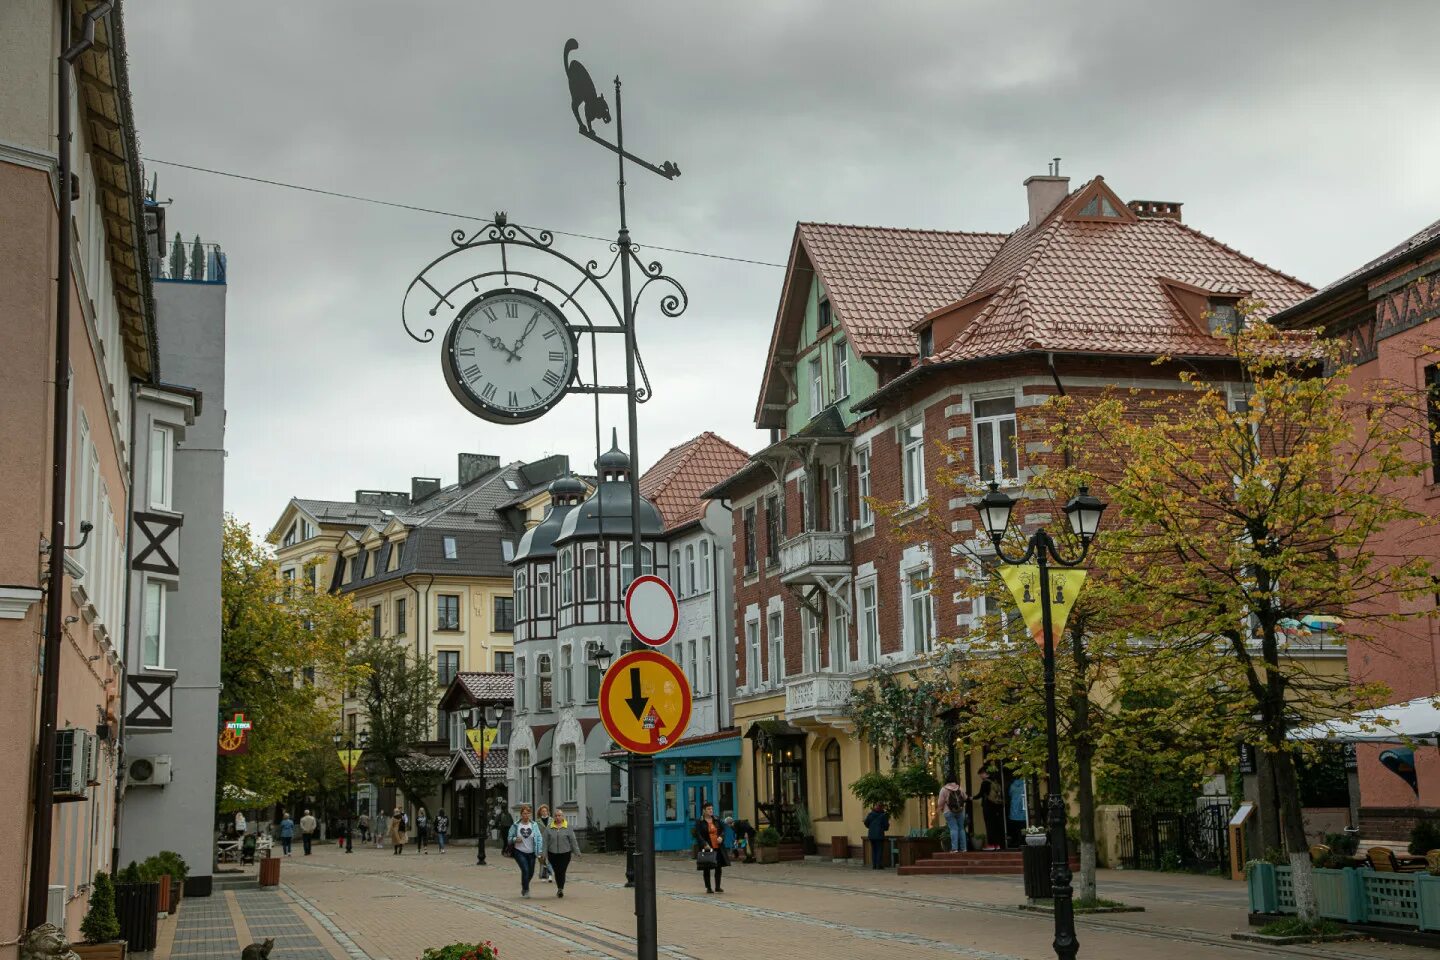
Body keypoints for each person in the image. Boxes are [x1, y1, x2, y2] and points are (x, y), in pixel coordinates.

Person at [507, 805, 545, 898]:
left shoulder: (534, 825)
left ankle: (524, 884)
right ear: (521, 814)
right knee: (525, 870)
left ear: (530, 814)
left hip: (532, 852)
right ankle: (526, 890)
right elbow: (509, 838)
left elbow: (539, 838)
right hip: (519, 851)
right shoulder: (516, 825)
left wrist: (540, 851)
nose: (526, 815)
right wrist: (515, 839)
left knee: (531, 872)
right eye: (524, 813)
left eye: (528, 813)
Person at [693, 802, 729, 894]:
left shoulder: (716, 819)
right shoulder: (700, 821)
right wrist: (704, 843)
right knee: (707, 867)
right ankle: (708, 887)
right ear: (704, 810)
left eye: (712, 809)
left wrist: (721, 837)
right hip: (707, 847)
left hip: (718, 846)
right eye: (709, 809)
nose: (711, 811)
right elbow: (698, 834)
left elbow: (723, 829)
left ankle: (718, 887)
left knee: (718, 867)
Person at [545, 811, 580, 897]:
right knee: (557, 871)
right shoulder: (549, 827)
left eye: (559, 815)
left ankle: (560, 888)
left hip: (565, 853)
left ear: (563, 817)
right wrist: (543, 853)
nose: (558, 817)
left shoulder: (568, 827)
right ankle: (559, 887)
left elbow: (573, 840)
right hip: (552, 853)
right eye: (556, 816)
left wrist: (577, 851)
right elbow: (545, 841)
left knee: (562, 870)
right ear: (554, 817)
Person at [937, 773, 968, 853]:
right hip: (960, 810)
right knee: (961, 828)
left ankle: (955, 848)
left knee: (953, 829)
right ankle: (964, 848)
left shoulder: (944, 789)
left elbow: (940, 803)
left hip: (948, 811)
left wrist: (940, 809)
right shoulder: (960, 788)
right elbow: (965, 798)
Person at [979, 769, 1005, 851]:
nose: (980, 776)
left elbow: (980, 794)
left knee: (989, 826)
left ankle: (991, 845)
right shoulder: (995, 782)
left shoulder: (985, 783)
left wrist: (971, 798)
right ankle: (999, 845)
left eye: (981, 774)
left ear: (986, 774)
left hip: (988, 806)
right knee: (997, 825)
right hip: (997, 806)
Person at [864, 802, 891, 870]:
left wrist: (871, 827)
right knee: (879, 850)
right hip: (879, 835)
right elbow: (886, 826)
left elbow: (866, 823)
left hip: (871, 835)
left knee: (874, 850)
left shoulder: (870, 814)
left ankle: (874, 865)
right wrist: (884, 827)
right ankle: (879, 865)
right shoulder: (883, 815)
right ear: (882, 807)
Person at [1007, 775, 1028, 848]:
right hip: (1023, 809)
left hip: (1014, 810)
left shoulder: (1012, 785)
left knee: (1016, 828)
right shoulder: (1025, 785)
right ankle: (1023, 841)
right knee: (1023, 828)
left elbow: (1009, 794)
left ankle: (1016, 842)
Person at [536, 804, 554, 882]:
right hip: (541, 842)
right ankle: (543, 875)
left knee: (550, 859)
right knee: (542, 859)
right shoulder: (537, 822)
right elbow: (536, 832)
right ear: (540, 812)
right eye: (542, 811)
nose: (544, 812)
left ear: (548, 812)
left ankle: (550, 875)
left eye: (545, 811)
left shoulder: (552, 820)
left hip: (550, 841)